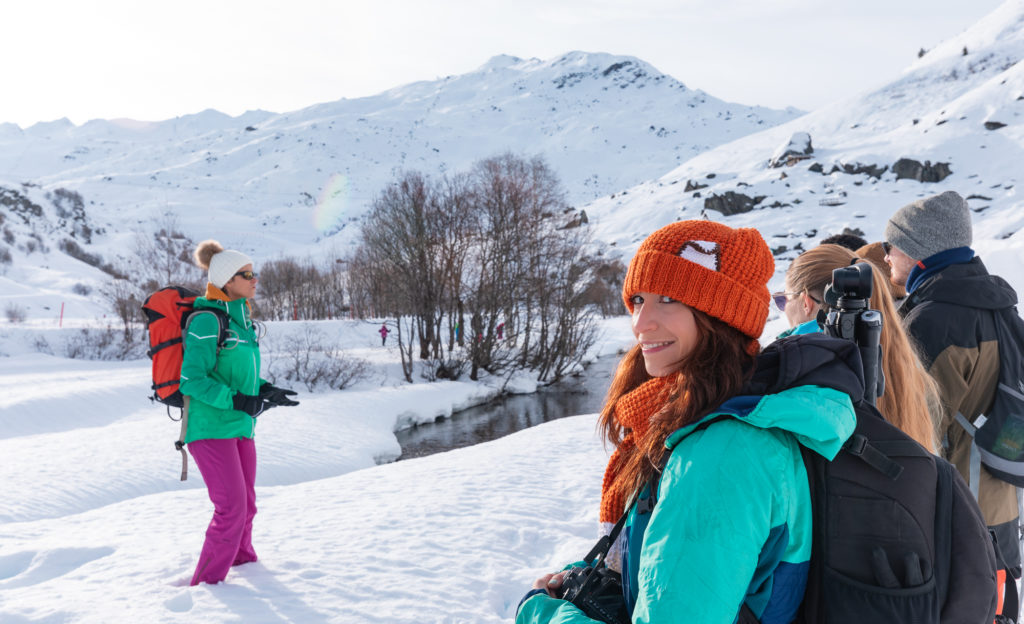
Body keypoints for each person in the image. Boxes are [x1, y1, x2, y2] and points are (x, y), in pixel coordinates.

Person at [517, 221, 860, 623]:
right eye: (638, 299)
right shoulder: (714, 413)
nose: (640, 323)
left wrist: (540, 613)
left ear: (721, 314)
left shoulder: (719, 454)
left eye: (667, 299)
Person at [884, 190, 1021, 617]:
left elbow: (914, 427)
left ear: (919, 251)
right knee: (994, 606)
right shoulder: (998, 306)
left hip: (954, 509)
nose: (886, 257)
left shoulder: (934, 320)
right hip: (996, 496)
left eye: (893, 247)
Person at [181, 240, 299, 586]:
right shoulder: (206, 320)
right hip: (210, 427)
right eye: (246, 274)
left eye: (253, 273)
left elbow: (235, 374)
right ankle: (206, 585)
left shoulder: (242, 321)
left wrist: (263, 390)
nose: (254, 279)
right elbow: (191, 380)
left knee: (247, 504)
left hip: (240, 426)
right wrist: (237, 401)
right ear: (226, 281)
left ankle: (245, 563)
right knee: (231, 508)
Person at [777, 243, 938, 451]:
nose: (783, 309)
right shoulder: (902, 359)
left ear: (805, 302)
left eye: (782, 300)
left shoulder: (793, 369)